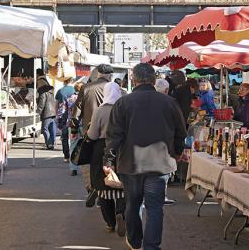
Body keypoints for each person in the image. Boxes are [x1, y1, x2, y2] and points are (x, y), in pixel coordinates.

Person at [105, 63, 187, 250]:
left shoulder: (123, 103)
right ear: (153, 79)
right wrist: (177, 151)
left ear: (134, 80)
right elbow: (181, 132)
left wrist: (108, 160)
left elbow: (113, 136)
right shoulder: (168, 102)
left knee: (133, 204)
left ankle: (135, 242)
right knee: (155, 207)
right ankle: (151, 246)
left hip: (130, 163)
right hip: (160, 164)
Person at [88, 82, 126, 236]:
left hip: (102, 149)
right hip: (122, 149)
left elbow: (92, 135)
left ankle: (110, 223)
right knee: (122, 185)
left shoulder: (100, 110)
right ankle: (121, 213)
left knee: (103, 188)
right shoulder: (125, 109)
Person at [73, 64, 114, 207]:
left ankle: (92, 187)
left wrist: (73, 128)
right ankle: (109, 187)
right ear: (110, 75)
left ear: (98, 73)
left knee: (90, 163)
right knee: (111, 162)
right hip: (112, 133)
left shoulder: (86, 88)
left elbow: (77, 111)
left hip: (89, 132)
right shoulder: (115, 89)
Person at [155, 77, 177, 206]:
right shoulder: (170, 102)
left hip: (142, 149)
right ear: (167, 90)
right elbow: (178, 127)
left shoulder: (143, 101)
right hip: (164, 146)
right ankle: (161, 196)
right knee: (162, 174)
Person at [55, 78, 76, 161]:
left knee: (64, 136)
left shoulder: (60, 91)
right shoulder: (75, 90)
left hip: (63, 115)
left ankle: (66, 156)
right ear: (72, 81)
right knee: (73, 136)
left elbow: (56, 104)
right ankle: (73, 155)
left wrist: (56, 114)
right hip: (73, 116)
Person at [65, 82, 83, 174]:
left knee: (73, 145)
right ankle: (86, 166)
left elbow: (66, 111)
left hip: (72, 125)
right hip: (83, 124)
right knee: (86, 145)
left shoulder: (70, 99)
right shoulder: (84, 98)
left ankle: (73, 168)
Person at [36, 72, 56, 150]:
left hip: (46, 113)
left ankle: (49, 144)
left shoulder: (43, 93)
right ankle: (52, 142)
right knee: (51, 128)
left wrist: (38, 112)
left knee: (45, 129)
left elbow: (41, 104)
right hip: (52, 112)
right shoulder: (51, 92)